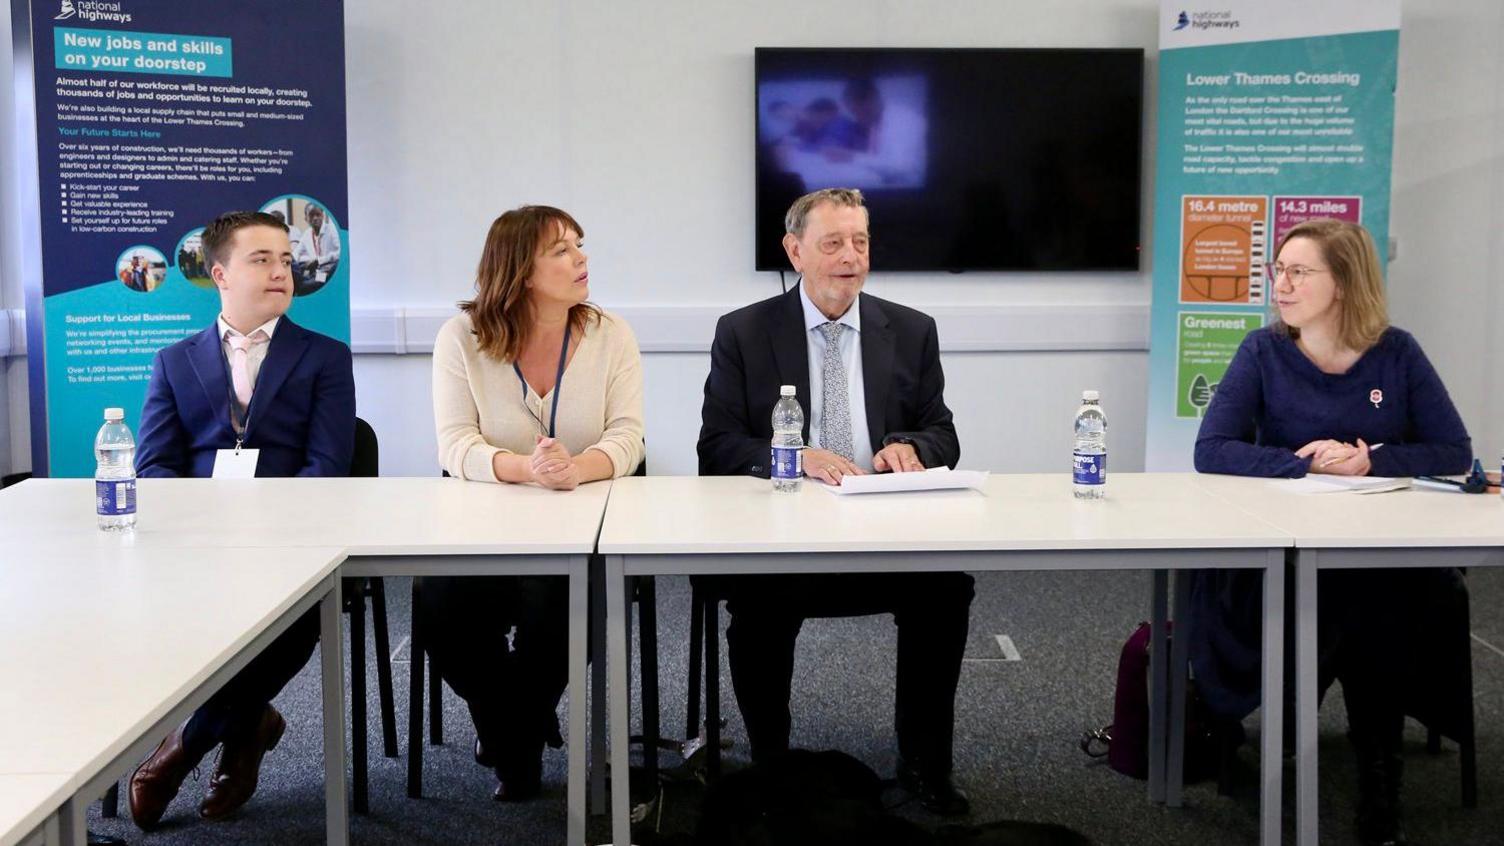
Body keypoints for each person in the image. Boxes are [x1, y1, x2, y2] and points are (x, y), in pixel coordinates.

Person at [1193, 218, 1471, 846]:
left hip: (1379, 550)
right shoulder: (1263, 350)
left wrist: (1374, 459)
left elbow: (1452, 449)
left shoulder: (1396, 352)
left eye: (1298, 272)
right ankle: (1323, 750)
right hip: (1282, 545)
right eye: (1278, 270)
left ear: (1342, 283)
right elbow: (1212, 449)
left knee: (1377, 601)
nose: (1280, 285)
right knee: (1355, 604)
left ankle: (1380, 783)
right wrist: (1302, 463)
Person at [698, 187, 974, 815]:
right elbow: (717, 445)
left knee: (945, 588)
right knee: (758, 603)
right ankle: (772, 767)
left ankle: (925, 764)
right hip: (782, 534)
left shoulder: (909, 329)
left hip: (882, 532)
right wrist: (795, 457)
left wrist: (909, 446)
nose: (851, 256)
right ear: (795, 251)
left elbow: (943, 432)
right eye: (833, 243)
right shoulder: (743, 332)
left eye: (861, 242)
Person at [128, 211, 356, 828]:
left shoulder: (325, 357)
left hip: (292, 544)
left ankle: (183, 748)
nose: (281, 271)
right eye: (263, 260)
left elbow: (328, 464)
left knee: (290, 621)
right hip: (196, 544)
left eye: (286, 260)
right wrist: (204, 529)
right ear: (220, 273)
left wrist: (267, 531)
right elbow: (154, 466)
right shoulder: (174, 361)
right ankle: (249, 724)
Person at [425, 204, 644, 800]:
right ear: (521, 270)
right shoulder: (461, 338)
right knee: (443, 611)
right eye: (562, 250)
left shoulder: (609, 334)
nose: (582, 259)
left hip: (582, 521)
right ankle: (517, 725)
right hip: (482, 525)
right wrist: (526, 469)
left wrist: (575, 469)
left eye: (581, 245)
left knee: (565, 606)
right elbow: (455, 445)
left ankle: (508, 739)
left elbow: (628, 436)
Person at [292, 204, 340, 294]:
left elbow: (340, 253)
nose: (315, 218)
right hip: (316, 272)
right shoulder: (307, 234)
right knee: (298, 280)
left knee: (304, 286)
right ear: (306, 218)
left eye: (318, 215)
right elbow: (296, 252)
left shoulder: (332, 230)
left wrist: (319, 260)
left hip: (328, 271)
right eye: (311, 215)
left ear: (323, 216)